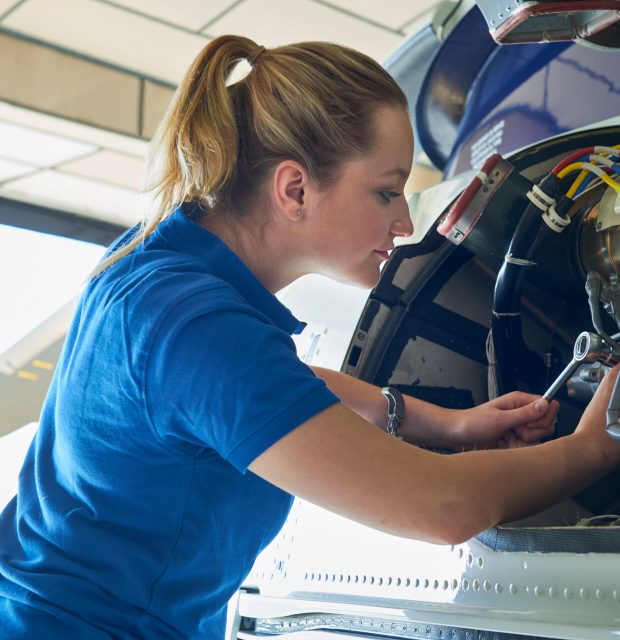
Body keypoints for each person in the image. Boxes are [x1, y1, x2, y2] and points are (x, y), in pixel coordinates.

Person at [0, 33, 619, 640]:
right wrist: (594, 447)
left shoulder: (155, 268)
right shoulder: (194, 325)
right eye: (385, 191)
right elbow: (441, 507)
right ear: (294, 189)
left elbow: (258, 386)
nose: (405, 223)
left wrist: (442, 423)